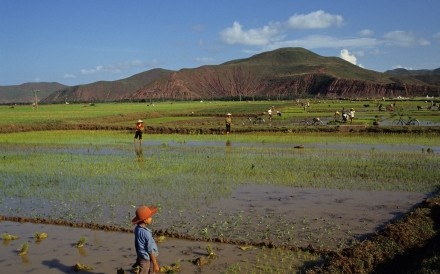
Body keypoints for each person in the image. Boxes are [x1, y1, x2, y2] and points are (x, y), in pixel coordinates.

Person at [132, 205, 160, 274]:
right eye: (150, 217)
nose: (151, 218)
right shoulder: (147, 233)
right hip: (147, 258)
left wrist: (138, 258)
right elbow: (150, 250)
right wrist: (155, 264)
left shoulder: (137, 229)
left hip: (142, 257)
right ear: (145, 220)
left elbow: (137, 244)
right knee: (145, 271)